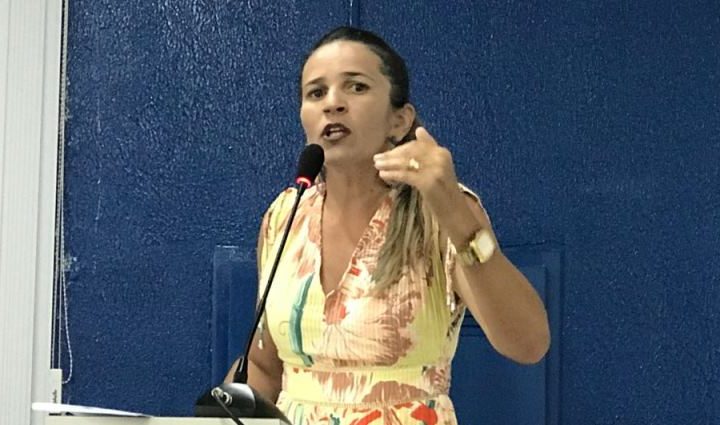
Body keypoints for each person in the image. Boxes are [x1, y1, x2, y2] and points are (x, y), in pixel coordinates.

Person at [225, 26, 550, 424]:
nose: (333, 104)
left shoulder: (440, 212)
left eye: (356, 87)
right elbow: (263, 366)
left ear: (399, 121)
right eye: (316, 92)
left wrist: (452, 209)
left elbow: (528, 344)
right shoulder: (284, 216)